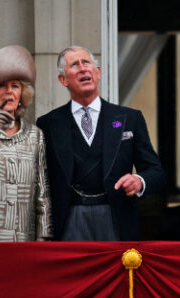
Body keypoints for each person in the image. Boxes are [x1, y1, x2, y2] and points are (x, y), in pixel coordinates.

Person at [36, 46, 165, 241]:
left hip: (116, 218)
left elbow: (156, 172)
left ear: (98, 73)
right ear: (63, 80)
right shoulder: (48, 124)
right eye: (74, 65)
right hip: (69, 220)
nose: (82, 69)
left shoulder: (130, 118)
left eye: (86, 63)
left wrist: (139, 181)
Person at [0, 45, 52, 242]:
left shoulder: (34, 135)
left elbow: (42, 195)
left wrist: (43, 239)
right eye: (1, 85)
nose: (9, 92)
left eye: (15, 86)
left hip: (22, 240)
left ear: (22, 94)